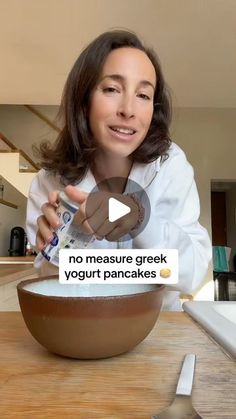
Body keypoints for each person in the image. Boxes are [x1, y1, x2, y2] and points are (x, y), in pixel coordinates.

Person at [26, 29, 212, 310]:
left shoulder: (171, 166)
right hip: (83, 331)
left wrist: (138, 220)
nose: (129, 110)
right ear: (84, 98)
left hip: (160, 332)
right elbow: (51, 289)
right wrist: (64, 247)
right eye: (112, 89)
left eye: (143, 95)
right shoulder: (48, 183)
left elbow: (192, 272)